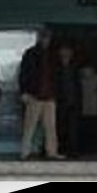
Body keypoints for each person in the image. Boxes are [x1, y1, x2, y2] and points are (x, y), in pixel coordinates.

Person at [18, 29, 63, 160]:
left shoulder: (51, 55)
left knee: (49, 127)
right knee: (31, 126)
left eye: (47, 37)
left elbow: (57, 76)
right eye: (44, 37)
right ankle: (25, 152)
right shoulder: (32, 54)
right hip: (35, 95)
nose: (46, 40)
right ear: (39, 38)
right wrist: (24, 91)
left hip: (47, 95)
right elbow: (24, 73)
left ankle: (51, 151)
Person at [54, 44, 82, 158]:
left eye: (68, 52)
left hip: (73, 102)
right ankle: (61, 149)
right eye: (64, 52)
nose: (66, 55)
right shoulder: (56, 68)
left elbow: (78, 86)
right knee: (61, 127)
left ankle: (73, 150)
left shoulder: (75, 68)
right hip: (60, 101)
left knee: (73, 128)